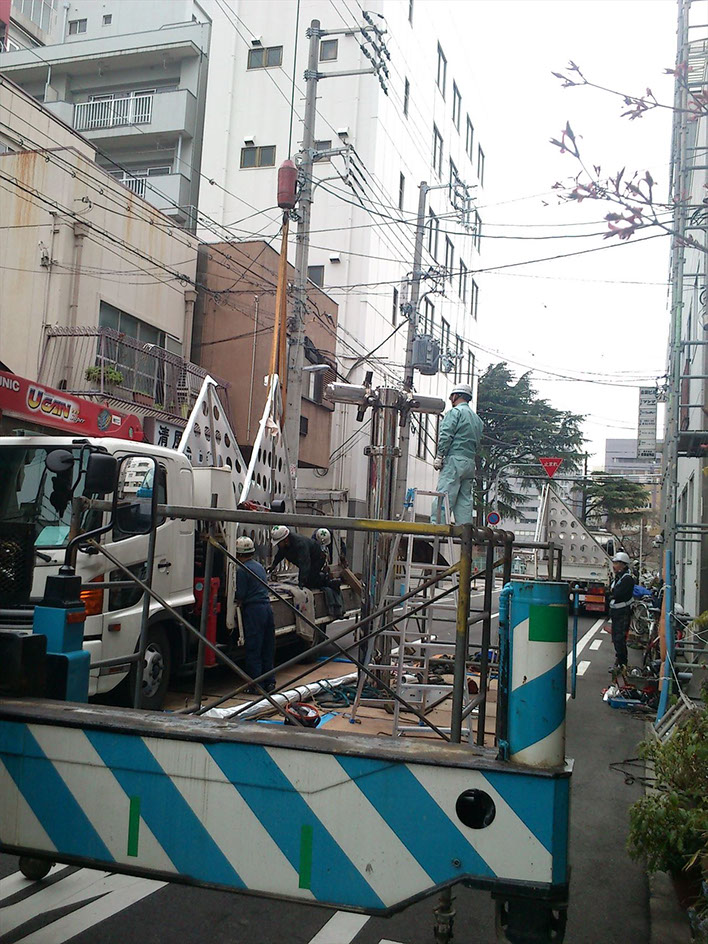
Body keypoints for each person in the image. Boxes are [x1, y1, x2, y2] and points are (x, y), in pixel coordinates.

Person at [431, 383, 483, 524]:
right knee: (464, 500)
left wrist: (440, 455)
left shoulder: (455, 413)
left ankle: (437, 529)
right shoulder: (477, 420)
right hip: (469, 463)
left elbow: (446, 435)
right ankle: (465, 531)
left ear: (456, 396)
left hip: (454, 461)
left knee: (444, 496)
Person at [235, 535, 275, 692]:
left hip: (254, 610)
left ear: (238, 553)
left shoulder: (242, 570)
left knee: (254, 648)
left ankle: (255, 685)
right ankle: (270, 682)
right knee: (267, 647)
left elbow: (241, 594)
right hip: (267, 608)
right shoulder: (259, 566)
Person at [271, 525, 327, 589]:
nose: (278, 545)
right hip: (307, 560)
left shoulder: (300, 545)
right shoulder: (285, 545)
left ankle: (324, 579)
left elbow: (304, 564)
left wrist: (301, 584)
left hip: (317, 559)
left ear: (285, 539)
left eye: (278, 543)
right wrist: (273, 565)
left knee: (310, 581)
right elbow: (281, 553)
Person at [609, 551, 635, 669]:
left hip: (623, 612)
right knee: (616, 638)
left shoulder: (627, 579)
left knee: (619, 639)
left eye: (616, 563)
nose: (614, 566)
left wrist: (612, 594)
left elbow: (617, 593)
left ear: (623, 565)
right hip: (616, 612)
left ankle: (622, 664)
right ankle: (619, 661)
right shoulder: (618, 577)